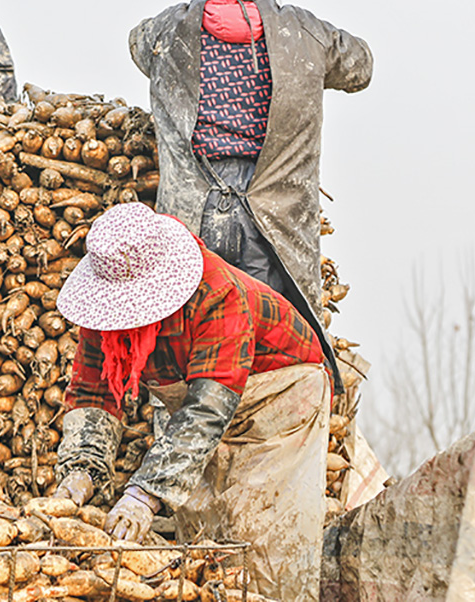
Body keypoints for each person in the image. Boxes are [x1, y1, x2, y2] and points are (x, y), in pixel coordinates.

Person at [128, 0, 372, 390]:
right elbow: (361, 66)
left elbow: (136, 45)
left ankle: (193, 440)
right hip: (269, 220)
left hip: (194, 220)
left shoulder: (168, 30)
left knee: (191, 345)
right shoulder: (304, 33)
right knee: (262, 347)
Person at [52, 203, 331, 602]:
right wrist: (82, 469)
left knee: (260, 540)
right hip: (199, 404)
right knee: (200, 539)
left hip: (278, 399)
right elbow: (94, 392)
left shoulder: (216, 293)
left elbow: (208, 407)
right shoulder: (105, 318)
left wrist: (143, 494)